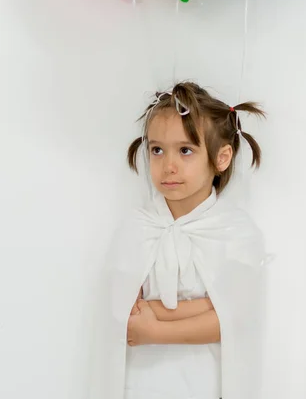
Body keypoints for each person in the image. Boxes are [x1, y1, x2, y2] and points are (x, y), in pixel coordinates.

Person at [91, 82, 267, 399]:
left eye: (185, 150)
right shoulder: (137, 228)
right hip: (142, 384)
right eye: (157, 150)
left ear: (221, 157)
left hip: (207, 384)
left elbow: (235, 318)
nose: (168, 165)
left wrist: (156, 327)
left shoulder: (236, 232)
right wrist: (206, 307)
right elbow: (123, 315)